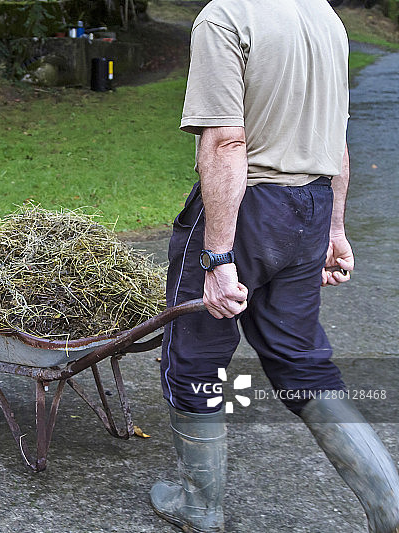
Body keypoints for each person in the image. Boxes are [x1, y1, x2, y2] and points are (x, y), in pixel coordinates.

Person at [149, 1, 399, 532]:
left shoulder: (226, 16)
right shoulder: (325, 16)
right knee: (301, 360)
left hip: (250, 210)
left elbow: (224, 141)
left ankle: (201, 507)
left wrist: (218, 257)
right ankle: (390, 507)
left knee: (194, 357)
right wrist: (333, 229)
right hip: (311, 207)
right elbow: (338, 139)